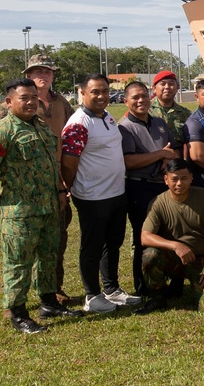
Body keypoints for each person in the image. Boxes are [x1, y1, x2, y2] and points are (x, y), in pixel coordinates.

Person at [0, 79, 81, 334]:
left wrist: (59, 190)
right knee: (18, 263)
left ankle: (49, 302)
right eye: (24, 98)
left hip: (49, 206)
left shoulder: (41, 127)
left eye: (34, 97)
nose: (31, 102)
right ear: (9, 102)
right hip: (20, 211)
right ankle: (18, 313)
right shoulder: (1, 131)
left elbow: (51, 164)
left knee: (48, 257)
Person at [61, 73, 140, 314]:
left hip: (116, 192)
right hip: (92, 196)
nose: (101, 96)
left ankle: (111, 289)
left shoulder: (106, 117)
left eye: (105, 91)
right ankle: (92, 295)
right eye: (95, 91)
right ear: (82, 93)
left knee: (112, 243)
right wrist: (73, 188)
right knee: (92, 246)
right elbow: (68, 163)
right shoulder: (78, 123)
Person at [136, 160, 204, 314]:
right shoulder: (158, 202)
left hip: (200, 259)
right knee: (150, 255)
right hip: (173, 259)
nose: (179, 183)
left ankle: (194, 286)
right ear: (166, 180)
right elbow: (145, 237)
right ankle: (158, 297)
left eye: (184, 178)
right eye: (174, 179)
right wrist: (176, 246)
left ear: (191, 177)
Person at [118, 80, 178, 297]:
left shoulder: (159, 123)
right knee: (144, 237)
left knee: (168, 232)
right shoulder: (124, 127)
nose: (141, 100)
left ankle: (168, 282)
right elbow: (129, 161)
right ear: (126, 101)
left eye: (144, 96)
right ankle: (144, 286)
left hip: (163, 187)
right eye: (135, 97)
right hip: (139, 188)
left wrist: (167, 160)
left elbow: (173, 152)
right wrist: (160, 154)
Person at [148, 69, 192, 156]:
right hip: (151, 158)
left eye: (171, 84)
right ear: (154, 88)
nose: (167, 87)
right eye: (163, 84)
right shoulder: (144, 110)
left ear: (177, 87)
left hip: (177, 160)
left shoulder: (185, 114)